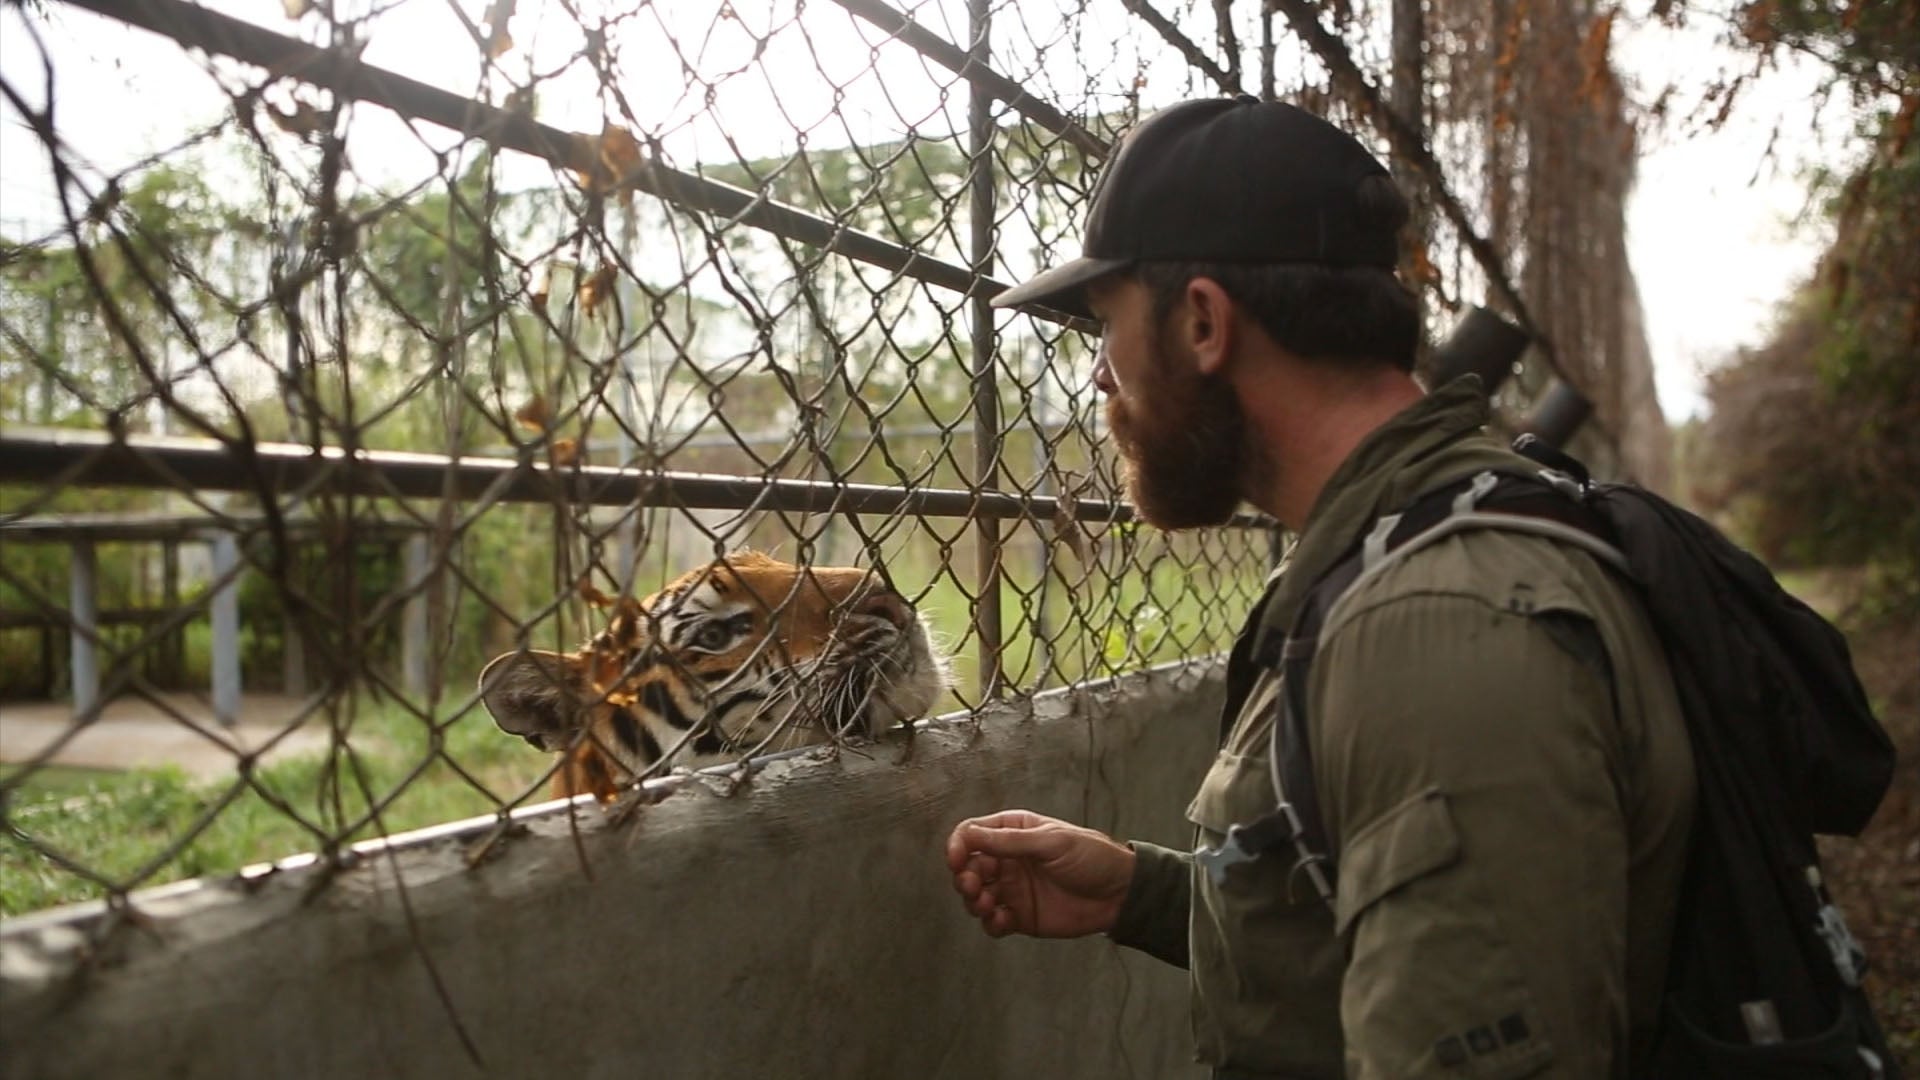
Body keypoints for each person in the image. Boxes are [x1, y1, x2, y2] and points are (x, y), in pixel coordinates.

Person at [944, 95, 1696, 1079]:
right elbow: (1383, 910)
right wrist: (1147, 896)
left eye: (1106, 326)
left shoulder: (1434, 627)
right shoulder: (1420, 542)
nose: (1100, 378)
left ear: (1204, 322)